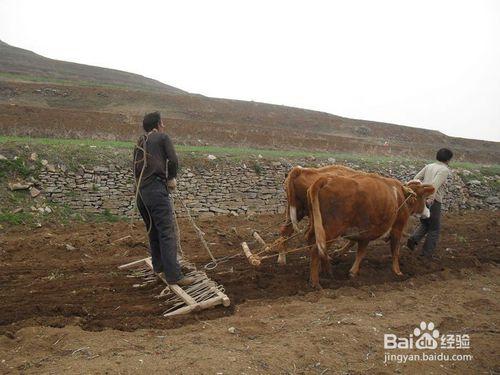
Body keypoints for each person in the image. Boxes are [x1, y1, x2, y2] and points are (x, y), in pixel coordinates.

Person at [133, 111, 194, 286]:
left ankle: (159, 267)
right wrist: (171, 178)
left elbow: (136, 170)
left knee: (153, 230)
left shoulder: (139, 142)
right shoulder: (162, 138)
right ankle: (174, 276)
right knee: (167, 233)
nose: (164, 126)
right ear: (158, 125)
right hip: (156, 191)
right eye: (162, 123)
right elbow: (173, 160)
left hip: (141, 194)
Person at [407, 148, 453, 259]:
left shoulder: (429, 166)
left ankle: (413, 239)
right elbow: (434, 186)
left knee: (425, 223)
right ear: (448, 159)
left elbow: (416, 178)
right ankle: (426, 254)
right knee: (434, 228)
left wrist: (420, 192)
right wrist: (430, 198)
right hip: (434, 201)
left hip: (422, 200)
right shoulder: (444, 170)